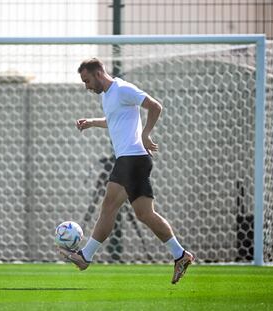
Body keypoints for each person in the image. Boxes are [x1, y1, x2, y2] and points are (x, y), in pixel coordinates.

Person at [58, 58, 194, 284]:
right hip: (134, 159)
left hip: (132, 157)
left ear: (99, 74)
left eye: (87, 80)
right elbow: (114, 120)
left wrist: (146, 134)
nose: (86, 86)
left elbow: (155, 106)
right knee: (144, 214)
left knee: (109, 205)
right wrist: (92, 122)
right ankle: (181, 255)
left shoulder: (123, 89)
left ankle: (85, 256)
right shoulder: (107, 95)